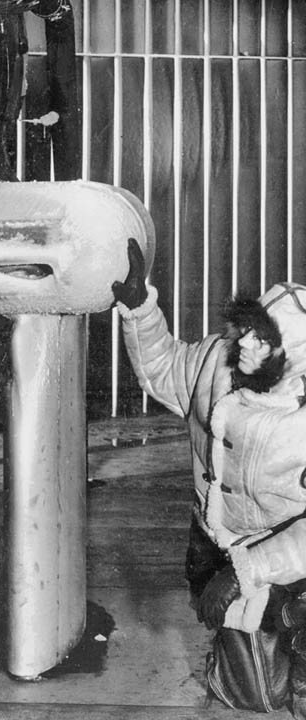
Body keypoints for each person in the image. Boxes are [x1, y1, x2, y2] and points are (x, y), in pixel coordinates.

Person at [112, 238, 306, 715]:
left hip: (287, 556)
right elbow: (162, 368)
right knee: (254, 696)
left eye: (264, 340)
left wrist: (246, 573)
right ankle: (270, 623)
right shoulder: (217, 361)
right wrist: (139, 308)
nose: (245, 344)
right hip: (213, 547)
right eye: (247, 329)